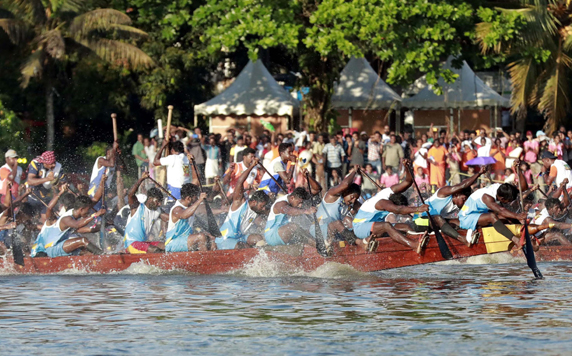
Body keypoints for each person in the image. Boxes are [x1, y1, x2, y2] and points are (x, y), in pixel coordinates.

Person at [352, 159, 430, 253]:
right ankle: (413, 245)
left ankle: (417, 241)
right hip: (360, 227)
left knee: (405, 226)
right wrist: (418, 209)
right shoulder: (383, 202)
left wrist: (407, 168)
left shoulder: (389, 191)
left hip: (374, 226)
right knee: (386, 225)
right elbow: (398, 209)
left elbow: (408, 182)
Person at [459, 162, 528, 247]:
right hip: (466, 218)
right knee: (492, 216)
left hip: (479, 215)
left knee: (509, 217)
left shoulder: (503, 188)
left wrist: (518, 171)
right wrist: (518, 216)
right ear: (502, 199)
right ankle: (516, 240)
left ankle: (525, 235)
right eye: (508, 201)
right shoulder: (487, 197)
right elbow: (501, 210)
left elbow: (523, 188)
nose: (509, 203)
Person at [31, 185, 104, 258]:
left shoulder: (74, 214)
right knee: (82, 241)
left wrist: (102, 182)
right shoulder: (66, 219)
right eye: (88, 210)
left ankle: (102, 260)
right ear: (81, 209)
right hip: (51, 248)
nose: (89, 212)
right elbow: (77, 225)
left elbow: (95, 199)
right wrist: (95, 215)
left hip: (58, 245)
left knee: (86, 252)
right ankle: (104, 256)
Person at [423, 166, 486, 246]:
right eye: (463, 199)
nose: (465, 202)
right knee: (437, 217)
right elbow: (462, 185)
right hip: (421, 221)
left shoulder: (458, 205)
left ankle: (470, 236)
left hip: (435, 223)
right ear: (456, 194)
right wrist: (479, 173)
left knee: (458, 222)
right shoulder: (444, 192)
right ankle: (462, 239)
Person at [217, 159, 270, 249]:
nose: (264, 209)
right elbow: (240, 182)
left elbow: (267, 218)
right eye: (262, 206)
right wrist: (252, 165)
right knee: (243, 247)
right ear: (254, 202)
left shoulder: (256, 210)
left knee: (259, 238)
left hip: (240, 238)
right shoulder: (239, 203)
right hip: (225, 239)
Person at [311, 166, 361, 244]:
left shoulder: (349, 203)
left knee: (351, 224)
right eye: (352, 197)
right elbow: (346, 184)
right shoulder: (332, 195)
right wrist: (354, 171)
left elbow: (364, 210)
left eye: (355, 199)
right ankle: (359, 243)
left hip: (332, 232)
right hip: (317, 230)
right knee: (337, 223)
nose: (353, 200)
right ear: (345, 192)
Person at [124, 172, 168, 254]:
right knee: (155, 250)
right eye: (158, 201)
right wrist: (141, 179)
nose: (159, 204)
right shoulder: (137, 207)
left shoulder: (157, 211)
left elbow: (170, 218)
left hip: (144, 243)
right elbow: (130, 194)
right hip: (131, 244)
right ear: (150, 199)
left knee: (167, 246)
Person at [165, 183, 216, 252]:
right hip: (172, 244)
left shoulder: (190, 208)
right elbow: (185, 215)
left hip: (184, 241)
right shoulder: (176, 209)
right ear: (188, 198)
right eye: (196, 197)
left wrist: (210, 238)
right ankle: (204, 260)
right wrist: (200, 200)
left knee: (210, 239)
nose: (197, 199)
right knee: (201, 237)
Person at [26, 151, 63, 217]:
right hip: (32, 196)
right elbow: (30, 181)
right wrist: (47, 179)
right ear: (45, 163)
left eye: (54, 162)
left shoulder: (58, 167)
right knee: (30, 218)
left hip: (47, 198)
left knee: (46, 219)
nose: (54, 165)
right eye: (51, 163)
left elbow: (62, 182)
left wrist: (59, 185)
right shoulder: (36, 164)